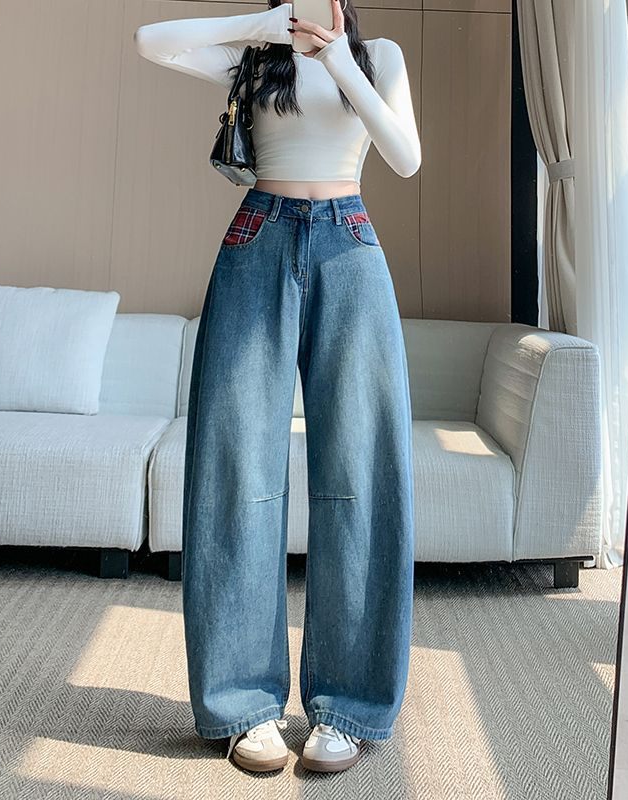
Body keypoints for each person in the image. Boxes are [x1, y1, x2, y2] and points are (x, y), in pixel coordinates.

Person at [134, 0, 420, 774]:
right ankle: (244, 705)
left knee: (361, 473)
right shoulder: (255, 55)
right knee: (236, 470)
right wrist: (262, 27)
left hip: (349, 243)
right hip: (256, 238)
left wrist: (338, 62)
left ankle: (349, 706)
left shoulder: (381, 55)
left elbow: (404, 157)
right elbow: (150, 41)